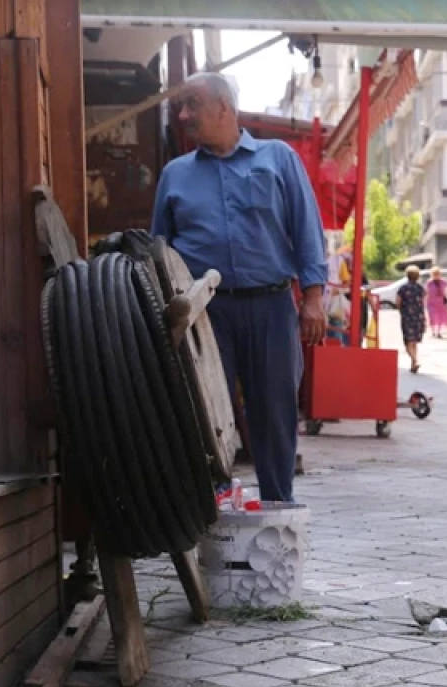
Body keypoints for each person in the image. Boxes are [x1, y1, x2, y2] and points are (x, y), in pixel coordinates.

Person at [151, 71, 326, 504]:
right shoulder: (175, 175)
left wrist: (314, 297)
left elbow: (307, 229)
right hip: (205, 315)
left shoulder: (278, 158)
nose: (185, 114)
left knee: (274, 412)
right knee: (204, 412)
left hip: (271, 306)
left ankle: (276, 509)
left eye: (193, 104)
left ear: (223, 107)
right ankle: (213, 509)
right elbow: (159, 252)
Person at [396, 265, 427, 373]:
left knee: (408, 341)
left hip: (407, 316)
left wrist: (401, 311)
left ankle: (414, 360)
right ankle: (414, 363)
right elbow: (423, 301)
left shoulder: (403, 288)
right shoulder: (420, 288)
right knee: (414, 341)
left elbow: (398, 302)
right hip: (419, 316)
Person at [425, 267, 447, 338]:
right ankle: (433, 332)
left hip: (441, 303)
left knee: (440, 317)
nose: (436, 275)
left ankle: (438, 332)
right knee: (432, 317)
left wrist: (446, 293)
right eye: (434, 274)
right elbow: (426, 292)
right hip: (431, 302)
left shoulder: (443, 281)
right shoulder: (429, 282)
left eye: (437, 274)